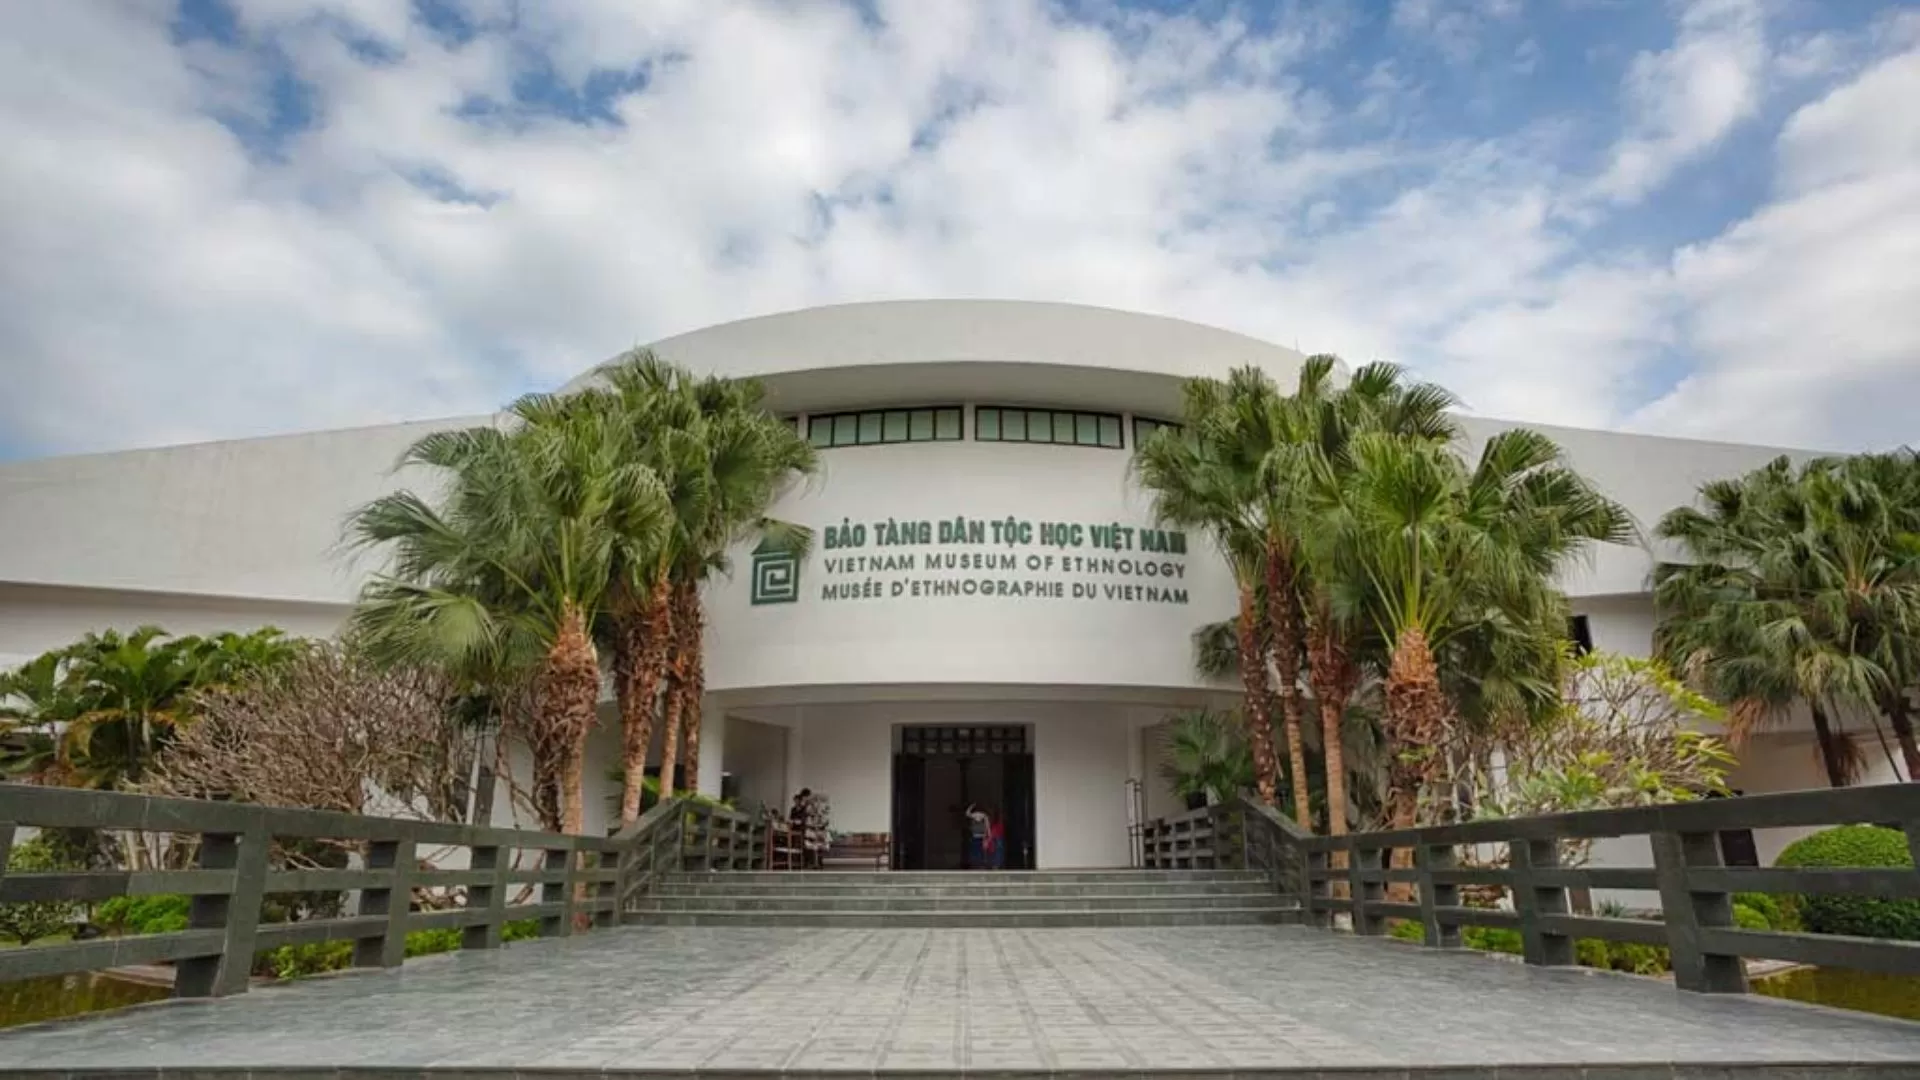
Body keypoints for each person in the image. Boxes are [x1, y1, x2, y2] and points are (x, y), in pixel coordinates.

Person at [964, 803, 989, 870]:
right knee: (977, 852)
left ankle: (979, 865)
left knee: (979, 852)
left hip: (979, 837)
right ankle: (977, 865)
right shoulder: (979, 815)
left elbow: (987, 826)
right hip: (976, 836)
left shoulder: (982, 815)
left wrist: (971, 806)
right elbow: (987, 826)